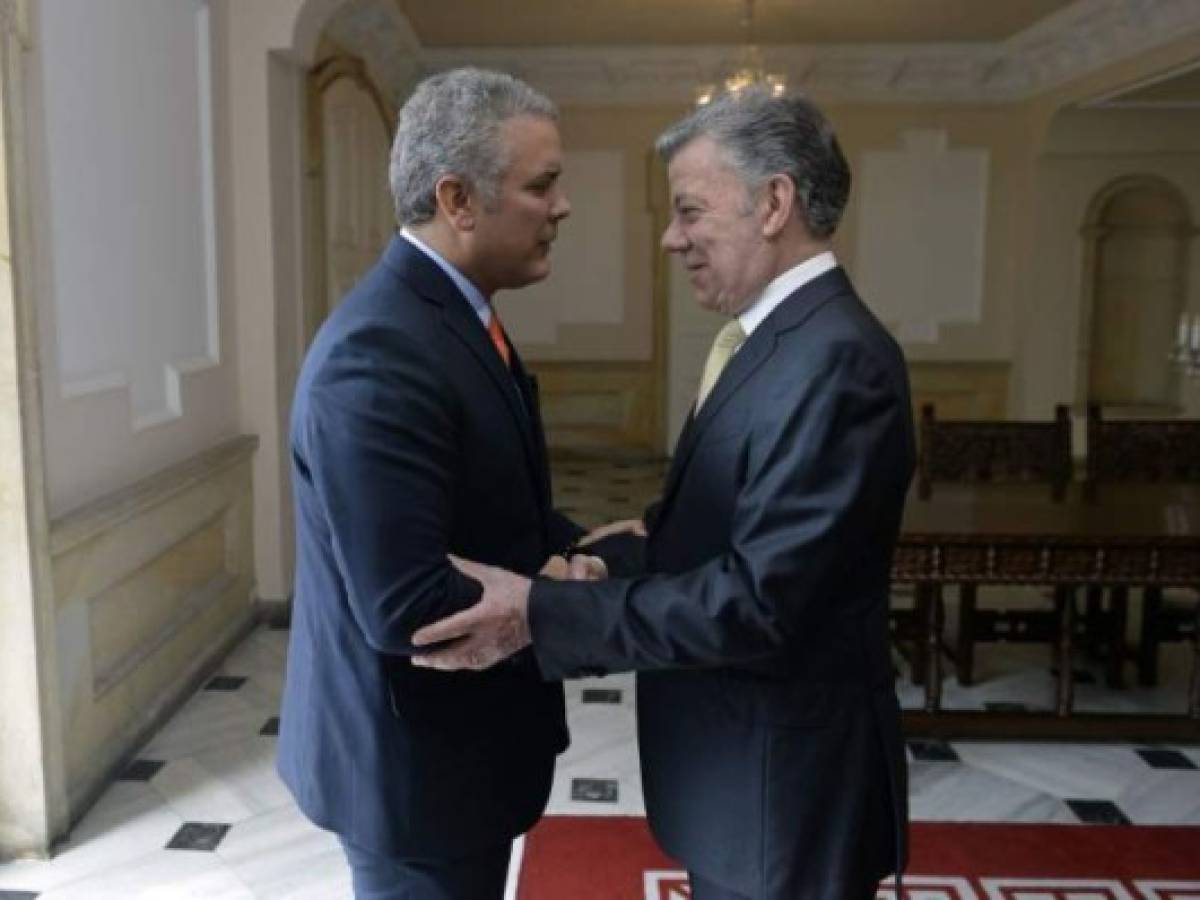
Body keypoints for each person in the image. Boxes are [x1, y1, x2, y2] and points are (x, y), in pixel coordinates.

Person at [411, 87, 914, 900]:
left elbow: (762, 601)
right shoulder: (774, 342)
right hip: (742, 775)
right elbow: (736, 537)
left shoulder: (837, 362)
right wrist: (613, 555)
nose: (672, 239)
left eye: (688, 210)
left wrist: (537, 612)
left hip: (785, 790)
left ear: (774, 202)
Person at [277, 67, 598, 900]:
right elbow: (409, 603)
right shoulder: (378, 352)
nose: (561, 207)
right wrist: (555, 590)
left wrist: (572, 545)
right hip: (414, 777)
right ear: (458, 199)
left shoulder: (454, 315)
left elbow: (485, 500)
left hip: (462, 761)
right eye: (542, 185)